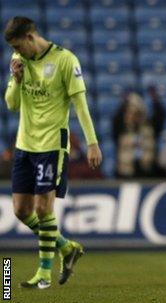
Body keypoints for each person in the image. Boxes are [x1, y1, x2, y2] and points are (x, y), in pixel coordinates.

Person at [4, 16, 102, 288]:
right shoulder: (18, 61)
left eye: (18, 46)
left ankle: (43, 275)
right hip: (25, 145)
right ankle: (67, 247)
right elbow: (12, 105)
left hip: (51, 145)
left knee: (43, 208)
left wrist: (92, 142)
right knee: (22, 211)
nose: (16, 52)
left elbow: (80, 105)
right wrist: (15, 79)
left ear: (30, 37)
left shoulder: (65, 60)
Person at [112, 89, 166, 178]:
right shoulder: (122, 129)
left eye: (138, 113)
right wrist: (124, 102)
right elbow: (116, 120)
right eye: (131, 113)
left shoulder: (150, 128)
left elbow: (161, 115)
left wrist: (155, 100)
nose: (134, 116)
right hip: (126, 173)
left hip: (148, 172)